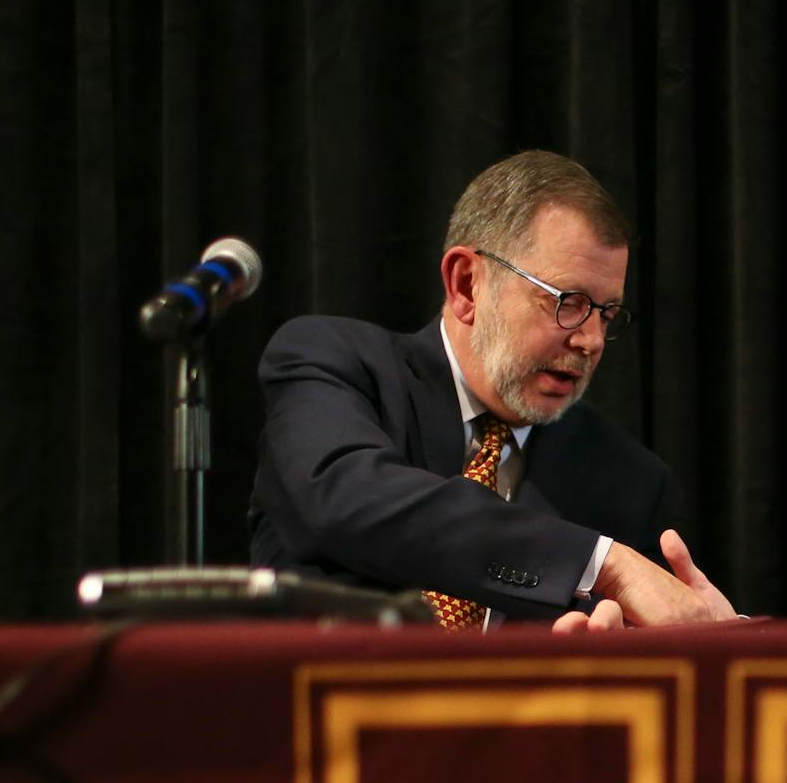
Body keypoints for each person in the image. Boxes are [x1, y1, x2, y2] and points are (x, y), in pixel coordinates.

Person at [249, 149, 731, 631]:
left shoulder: (626, 480)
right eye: (568, 302)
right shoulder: (333, 364)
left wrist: (715, 633)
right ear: (466, 286)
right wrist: (600, 562)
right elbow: (346, 498)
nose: (592, 341)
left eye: (606, 314)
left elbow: (665, 639)